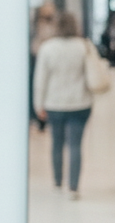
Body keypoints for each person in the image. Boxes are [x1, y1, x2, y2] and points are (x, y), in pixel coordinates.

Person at [34, 11, 95, 199]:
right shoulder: (83, 46)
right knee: (75, 145)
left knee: (57, 144)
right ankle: (74, 187)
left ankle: (58, 182)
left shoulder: (48, 48)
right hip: (80, 103)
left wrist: (39, 105)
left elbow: (40, 80)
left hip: (55, 103)